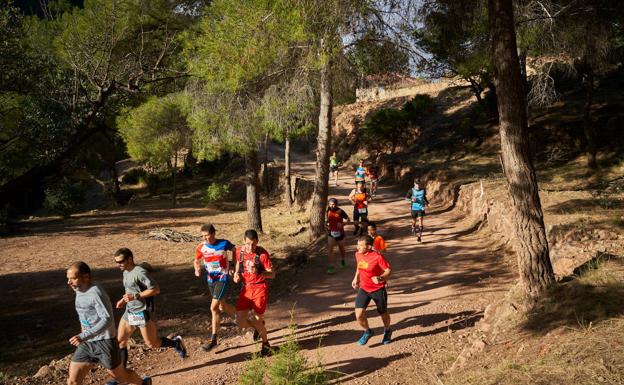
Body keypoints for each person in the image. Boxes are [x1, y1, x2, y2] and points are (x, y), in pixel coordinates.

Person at [66, 261, 152, 385]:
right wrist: (84, 335)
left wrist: (84, 336)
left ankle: (143, 383)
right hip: (87, 343)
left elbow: (107, 319)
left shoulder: (96, 293)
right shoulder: (79, 290)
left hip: (105, 343)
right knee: (73, 381)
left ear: (86, 277)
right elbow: (84, 316)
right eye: (68, 279)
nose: (69, 282)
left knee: (120, 377)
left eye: (73, 279)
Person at [110, 248, 186, 384]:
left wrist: (135, 296)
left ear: (130, 259)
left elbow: (155, 289)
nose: (118, 265)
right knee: (121, 341)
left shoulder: (140, 272)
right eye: (116, 262)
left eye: (121, 261)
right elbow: (130, 290)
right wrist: (124, 300)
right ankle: (123, 375)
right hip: (130, 312)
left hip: (142, 312)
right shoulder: (125, 272)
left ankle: (176, 343)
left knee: (152, 343)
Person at [194, 223, 237, 352]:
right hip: (210, 279)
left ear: (213, 234)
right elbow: (196, 260)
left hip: (222, 278)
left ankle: (213, 339)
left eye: (207, 235)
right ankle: (244, 319)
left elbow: (235, 250)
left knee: (213, 307)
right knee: (222, 306)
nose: (205, 238)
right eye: (203, 236)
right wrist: (197, 269)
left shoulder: (224, 243)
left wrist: (234, 266)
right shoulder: (201, 247)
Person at [233, 229, 276, 356]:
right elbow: (238, 267)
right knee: (240, 322)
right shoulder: (239, 251)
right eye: (247, 244)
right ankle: (259, 327)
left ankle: (266, 345)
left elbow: (272, 274)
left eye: (253, 244)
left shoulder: (262, 254)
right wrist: (237, 276)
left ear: (257, 241)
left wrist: (259, 272)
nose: (250, 247)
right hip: (246, 289)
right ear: (243, 241)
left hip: (259, 288)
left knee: (257, 318)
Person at [351, 236, 392, 346]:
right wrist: (356, 278)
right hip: (364, 288)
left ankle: (387, 330)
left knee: (383, 313)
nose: (357, 247)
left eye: (360, 245)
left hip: (378, 289)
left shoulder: (377, 257)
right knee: (358, 315)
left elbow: (388, 270)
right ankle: (367, 331)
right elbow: (359, 266)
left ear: (368, 247)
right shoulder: (357, 254)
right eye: (357, 244)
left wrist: (381, 278)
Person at [326, 198, 350, 274]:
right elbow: (328, 220)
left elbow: (347, 219)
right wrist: (326, 225)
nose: (331, 206)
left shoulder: (340, 211)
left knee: (341, 248)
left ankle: (343, 259)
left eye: (333, 204)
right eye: (330, 204)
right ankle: (331, 266)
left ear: (336, 204)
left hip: (340, 233)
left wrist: (343, 224)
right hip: (331, 233)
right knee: (330, 249)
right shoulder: (328, 210)